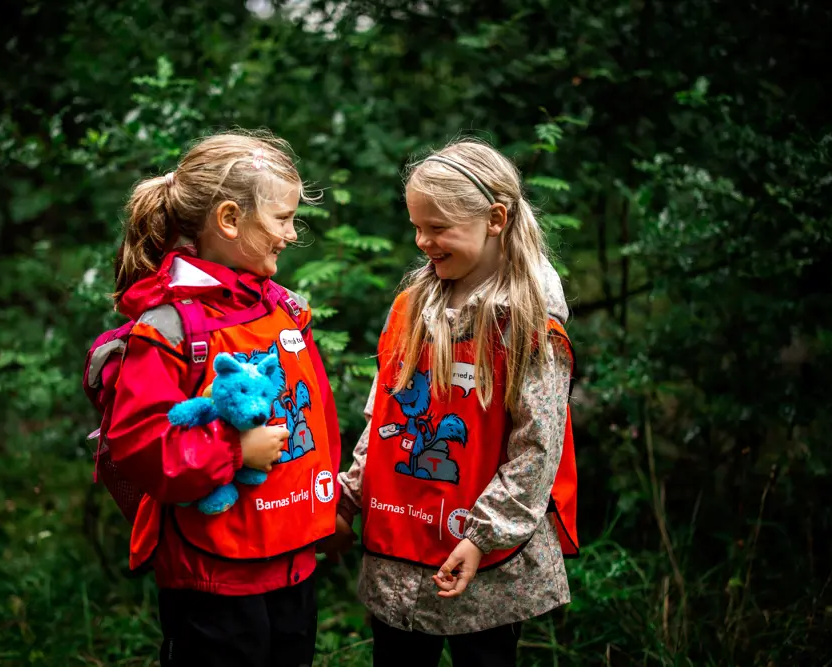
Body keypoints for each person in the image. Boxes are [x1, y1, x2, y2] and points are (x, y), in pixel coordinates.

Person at [326, 139, 579, 667]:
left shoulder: (530, 322)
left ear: (494, 218)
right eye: (417, 226)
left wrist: (483, 538)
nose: (422, 241)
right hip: (399, 545)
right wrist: (349, 499)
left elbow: (537, 447)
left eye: (438, 227)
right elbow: (383, 418)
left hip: (482, 559)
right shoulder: (410, 306)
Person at [98, 131, 341, 667]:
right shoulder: (169, 329)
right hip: (214, 576)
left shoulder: (282, 310)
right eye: (281, 219)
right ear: (229, 220)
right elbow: (139, 443)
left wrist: (329, 504)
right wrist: (235, 452)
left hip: (292, 557)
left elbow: (315, 415)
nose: (291, 234)